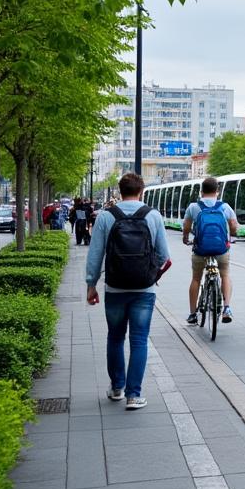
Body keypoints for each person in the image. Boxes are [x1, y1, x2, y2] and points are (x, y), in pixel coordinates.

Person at [85, 172, 170, 410]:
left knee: (115, 337)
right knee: (139, 339)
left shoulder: (106, 216)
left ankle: (116, 388)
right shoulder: (152, 215)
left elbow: (95, 254)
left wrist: (91, 284)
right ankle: (134, 395)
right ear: (141, 190)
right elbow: (164, 256)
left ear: (119, 192)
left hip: (114, 288)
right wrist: (151, 271)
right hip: (144, 289)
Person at [182, 177, 238, 325]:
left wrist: (185, 238)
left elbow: (186, 226)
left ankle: (193, 314)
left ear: (201, 191)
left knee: (196, 279)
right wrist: (232, 236)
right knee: (225, 275)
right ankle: (226, 308)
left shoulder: (194, 207)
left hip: (200, 250)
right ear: (217, 191)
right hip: (221, 250)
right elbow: (233, 225)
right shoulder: (225, 207)